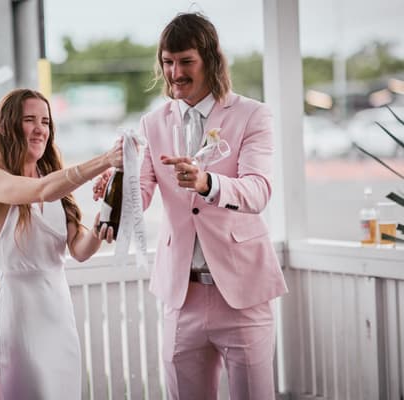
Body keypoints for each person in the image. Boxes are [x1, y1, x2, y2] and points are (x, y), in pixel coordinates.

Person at [94, 12, 288, 400]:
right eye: (167, 62)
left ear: (210, 61)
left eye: (186, 61)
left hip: (243, 295)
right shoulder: (153, 123)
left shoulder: (253, 115)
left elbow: (259, 190)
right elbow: (142, 192)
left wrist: (207, 183)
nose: (174, 72)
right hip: (182, 298)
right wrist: (115, 191)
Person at [0, 88, 123, 400]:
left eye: (45, 121)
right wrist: (105, 160)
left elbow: (80, 250)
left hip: (59, 314)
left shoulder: (53, 181)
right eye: (29, 120)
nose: (40, 128)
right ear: (7, 127)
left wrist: (102, 219)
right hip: (21, 319)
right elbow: (41, 190)